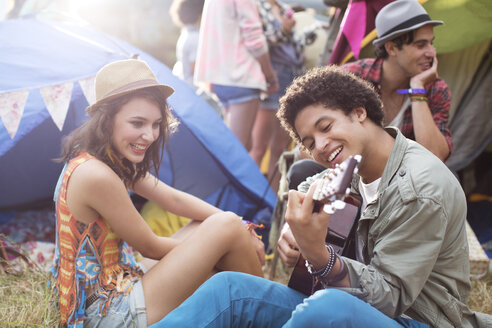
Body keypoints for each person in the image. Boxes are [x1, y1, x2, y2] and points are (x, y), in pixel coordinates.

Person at [152, 66, 492, 328]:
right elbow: (312, 182)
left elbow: (391, 299)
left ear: (360, 112)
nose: (321, 146)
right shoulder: (357, 163)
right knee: (229, 288)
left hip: (416, 319)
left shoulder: (419, 188)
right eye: (309, 141)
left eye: (325, 127)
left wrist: (318, 254)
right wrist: (292, 230)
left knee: (325, 307)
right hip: (355, 305)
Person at [50, 59, 264, 328]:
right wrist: (220, 246)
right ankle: (270, 315)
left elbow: (172, 198)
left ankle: (259, 308)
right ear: (107, 120)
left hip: (122, 280)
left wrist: (242, 229)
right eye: (137, 123)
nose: (150, 136)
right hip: (104, 312)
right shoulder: (96, 175)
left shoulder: (106, 158)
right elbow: (149, 246)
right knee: (225, 228)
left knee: (215, 225)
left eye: (155, 124)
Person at [288, 0, 454, 186]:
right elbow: (309, 146)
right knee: (302, 171)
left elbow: (434, 159)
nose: (431, 53)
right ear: (391, 48)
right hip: (349, 177)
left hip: (401, 185)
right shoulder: (351, 77)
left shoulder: (435, 89)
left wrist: (417, 91)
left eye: (431, 43)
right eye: (421, 45)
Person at [249, 1, 317, 192]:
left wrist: (307, 35)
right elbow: (262, 42)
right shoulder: (258, 7)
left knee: (279, 149)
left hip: (291, 77)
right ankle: (248, 195)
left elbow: (291, 45)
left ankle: (271, 198)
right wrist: (286, 30)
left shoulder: (282, 6)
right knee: (258, 147)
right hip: (272, 77)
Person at [194, 0, 279, 149]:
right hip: (241, 76)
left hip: (219, 77)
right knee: (236, 152)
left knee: (243, 146)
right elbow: (255, 40)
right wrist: (269, 75)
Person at [169, 0, 204, 88]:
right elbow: (196, 69)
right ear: (199, 15)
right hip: (196, 89)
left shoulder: (185, 34)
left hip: (185, 84)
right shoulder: (195, 37)